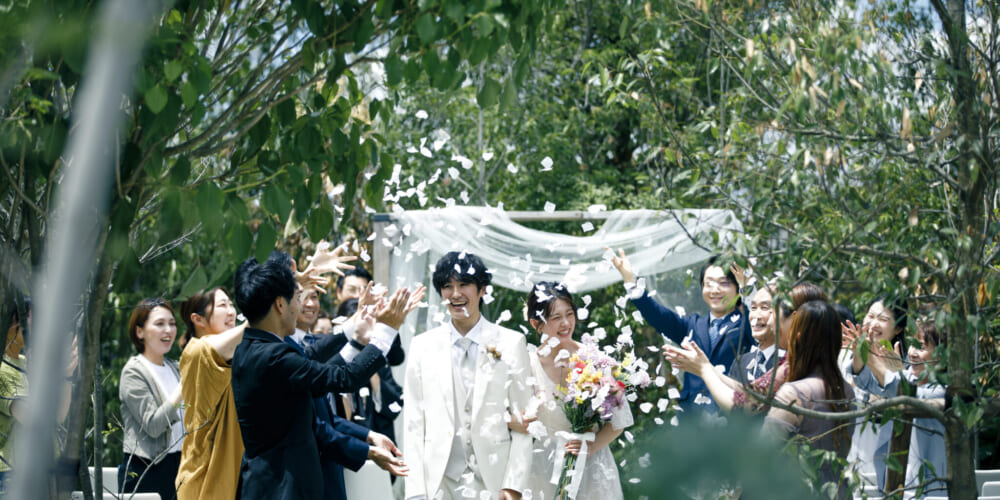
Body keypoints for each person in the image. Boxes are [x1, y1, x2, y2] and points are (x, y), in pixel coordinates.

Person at [231, 251, 407, 499]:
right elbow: (345, 378)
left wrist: (353, 332)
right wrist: (386, 330)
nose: (299, 307)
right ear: (280, 305)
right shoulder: (273, 356)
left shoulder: (251, 348)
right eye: (296, 299)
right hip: (282, 490)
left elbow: (309, 366)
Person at [404, 251, 533, 500]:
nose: (455, 294)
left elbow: (524, 422)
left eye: (464, 284)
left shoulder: (511, 343)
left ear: (482, 289)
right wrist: (416, 491)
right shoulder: (422, 346)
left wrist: (513, 485)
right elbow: (413, 424)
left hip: (494, 481)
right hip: (438, 483)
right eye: (447, 286)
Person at [517, 281, 631, 500]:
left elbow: (621, 419)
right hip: (546, 466)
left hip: (593, 467)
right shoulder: (529, 365)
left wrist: (591, 447)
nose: (565, 323)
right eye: (555, 317)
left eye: (569, 314)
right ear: (536, 323)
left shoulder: (593, 358)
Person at [611, 250, 753, 414]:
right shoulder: (692, 325)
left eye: (724, 283)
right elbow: (658, 315)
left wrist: (748, 289)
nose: (715, 290)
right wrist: (630, 281)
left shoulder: (749, 324)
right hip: (691, 418)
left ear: (737, 288)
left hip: (732, 415)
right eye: (708, 284)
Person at [665, 283, 828, 415]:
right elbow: (753, 393)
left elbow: (741, 407)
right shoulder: (799, 359)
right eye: (753, 307)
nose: (771, 322)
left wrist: (704, 369)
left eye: (772, 312)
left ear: (796, 319)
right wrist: (706, 367)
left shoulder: (798, 364)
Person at [763, 300, 855, 499]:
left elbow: (764, 452)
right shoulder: (846, 391)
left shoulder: (794, 393)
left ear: (797, 338)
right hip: (838, 491)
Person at [174, 287, 245, 500]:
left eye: (231, 304)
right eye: (223, 305)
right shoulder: (197, 350)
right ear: (198, 319)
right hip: (204, 480)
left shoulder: (235, 354)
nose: (231, 311)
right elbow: (257, 325)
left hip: (232, 477)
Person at [118, 298, 184, 500]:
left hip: (180, 466)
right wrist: (184, 386)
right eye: (159, 324)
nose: (168, 330)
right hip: (147, 470)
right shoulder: (133, 372)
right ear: (140, 332)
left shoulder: (175, 367)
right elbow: (154, 425)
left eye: (172, 323)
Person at [841, 295, 908, 491]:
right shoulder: (849, 356)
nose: (873, 324)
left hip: (888, 454)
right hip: (855, 451)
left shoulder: (905, 363)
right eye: (870, 316)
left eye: (883, 319)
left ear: (898, 328)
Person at [903, 319, 946, 499]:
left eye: (920, 347)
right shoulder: (911, 378)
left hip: (937, 491)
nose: (912, 353)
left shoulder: (943, 391)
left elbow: (912, 396)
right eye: (911, 345)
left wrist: (891, 371)